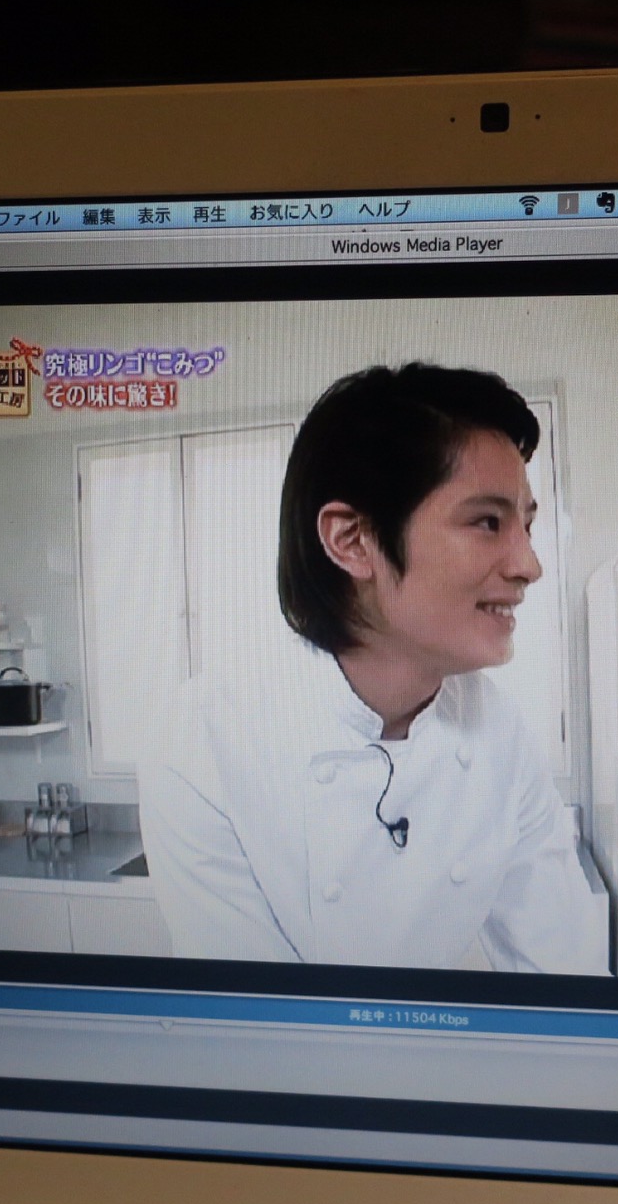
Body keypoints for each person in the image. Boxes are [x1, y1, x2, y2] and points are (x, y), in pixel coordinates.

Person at [137, 363, 593, 973]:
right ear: (352, 541)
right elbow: (249, 1012)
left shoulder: (499, 735)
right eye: (488, 522)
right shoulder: (206, 738)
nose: (529, 565)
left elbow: (566, 975)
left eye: (526, 525)